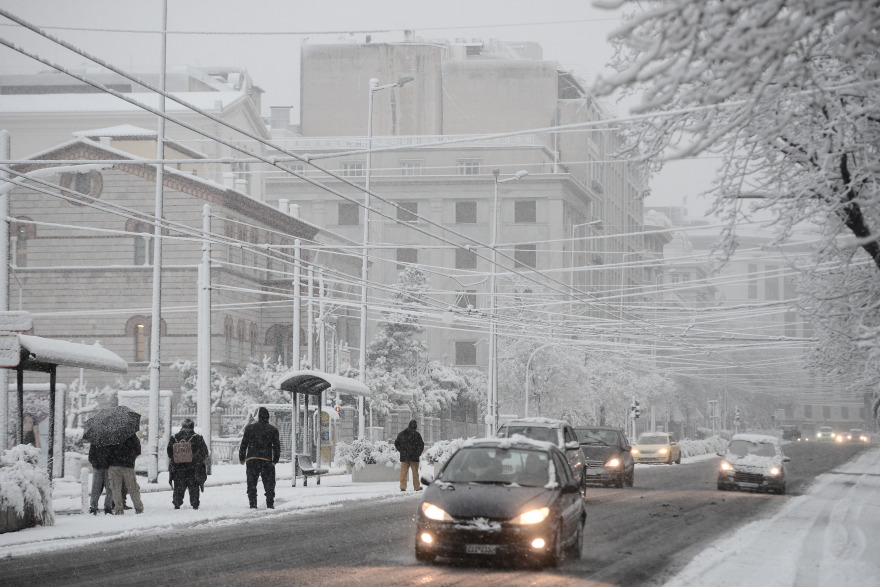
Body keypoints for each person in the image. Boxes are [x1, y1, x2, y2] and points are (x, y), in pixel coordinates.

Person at [238, 407, 280, 509]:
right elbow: (277, 447)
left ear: (258, 416)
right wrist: (275, 460)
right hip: (267, 460)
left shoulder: (249, 428)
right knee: (269, 483)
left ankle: (253, 504)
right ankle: (270, 503)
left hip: (252, 459)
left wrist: (242, 457)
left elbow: (244, 444)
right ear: (268, 417)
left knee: (251, 483)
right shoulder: (273, 430)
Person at [166, 419, 209, 510]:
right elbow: (204, 452)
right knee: (193, 486)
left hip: (178, 468)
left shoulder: (174, 438)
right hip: (193, 468)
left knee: (179, 486)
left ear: (182, 426)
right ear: (192, 427)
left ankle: (177, 503)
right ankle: (195, 504)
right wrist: (195, 458)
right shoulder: (198, 438)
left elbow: (169, 453)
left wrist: (177, 458)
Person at [107, 432, 144, 515]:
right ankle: (139, 508)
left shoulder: (111, 435)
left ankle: (119, 509)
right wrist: (130, 458)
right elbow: (138, 450)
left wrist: (111, 460)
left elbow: (107, 451)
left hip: (114, 466)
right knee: (133, 488)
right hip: (128, 466)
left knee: (116, 488)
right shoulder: (132, 435)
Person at [394, 419, 425, 492]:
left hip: (404, 457)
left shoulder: (402, 434)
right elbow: (421, 445)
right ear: (415, 427)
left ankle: (403, 486)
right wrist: (418, 453)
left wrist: (401, 451)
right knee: (415, 473)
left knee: (403, 473)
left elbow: (396, 443)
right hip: (414, 458)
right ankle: (416, 487)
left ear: (408, 425)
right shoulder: (417, 435)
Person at [87, 442, 115, 515]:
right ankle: (106, 508)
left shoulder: (95, 441)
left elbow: (91, 456)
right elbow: (91, 456)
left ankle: (95, 507)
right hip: (104, 468)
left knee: (99, 489)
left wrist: (95, 463)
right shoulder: (112, 442)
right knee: (107, 489)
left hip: (102, 468)